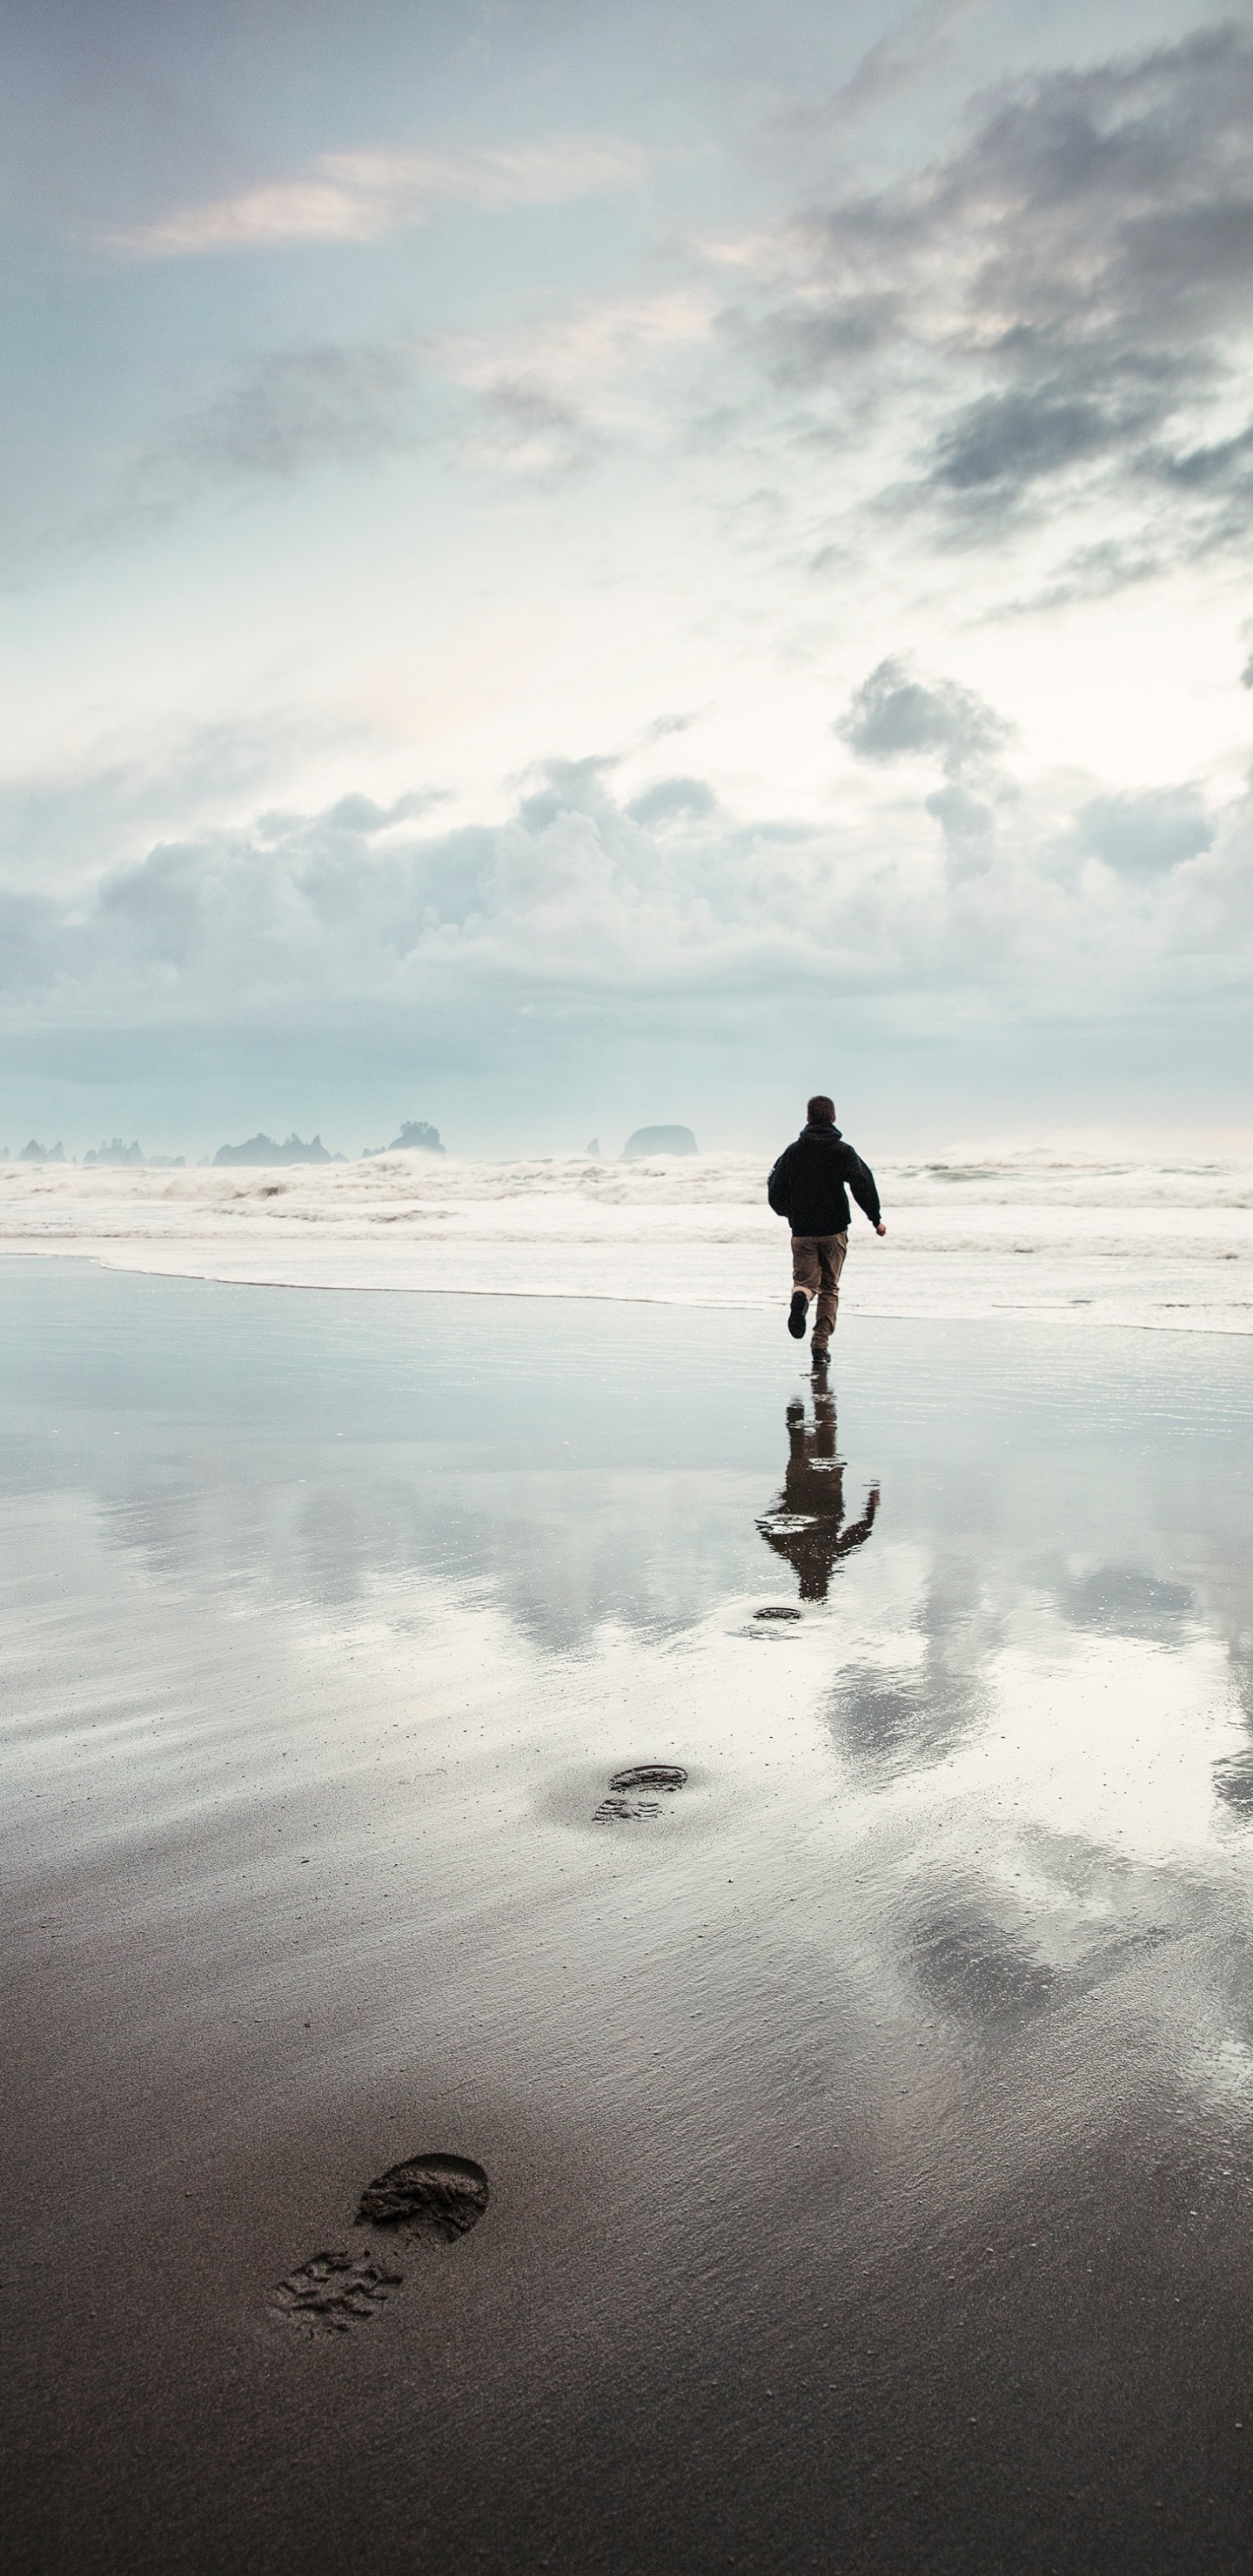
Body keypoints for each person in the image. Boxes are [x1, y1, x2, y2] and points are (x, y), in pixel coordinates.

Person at [767, 1094, 885, 1360]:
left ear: (808, 1118)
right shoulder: (843, 1151)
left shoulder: (792, 1152)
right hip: (834, 1230)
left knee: (805, 1282)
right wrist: (875, 1218)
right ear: (833, 1118)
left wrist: (788, 1212)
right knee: (830, 1287)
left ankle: (800, 1298)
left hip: (802, 1231)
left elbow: (774, 1186)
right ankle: (820, 1346)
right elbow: (863, 1184)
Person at [756, 1386, 880, 1600]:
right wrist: (784, 1510)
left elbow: (861, 1531)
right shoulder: (790, 1553)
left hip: (827, 1487)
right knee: (798, 1450)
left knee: (825, 1437)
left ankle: (821, 1399)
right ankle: (797, 1417)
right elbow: (764, 1528)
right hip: (799, 1485)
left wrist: (871, 1506)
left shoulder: (831, 1555)